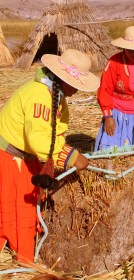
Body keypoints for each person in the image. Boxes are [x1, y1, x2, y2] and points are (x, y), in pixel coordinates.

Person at [0, 49, 100, 262]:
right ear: (64, 79)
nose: (78, 90)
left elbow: (53, 132)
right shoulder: (40, 98)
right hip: (10, 158)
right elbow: (40, 140)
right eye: (77, 84)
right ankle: (24, 258)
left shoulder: (54, 93)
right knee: (20, 208)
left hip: (25, 155)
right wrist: (71, 157)